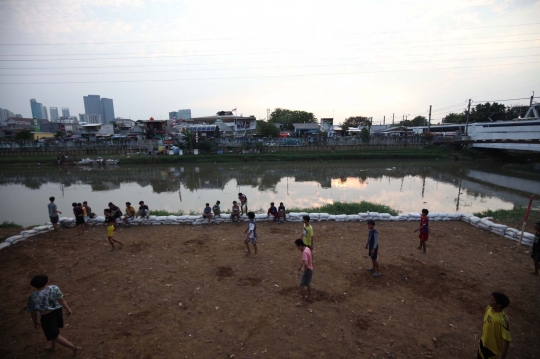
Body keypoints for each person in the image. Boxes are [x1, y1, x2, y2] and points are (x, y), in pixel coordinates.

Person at [27, 275, 81, 357]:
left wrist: (35, 322)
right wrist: (68, 309)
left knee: (55, 335)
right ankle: (53, 347)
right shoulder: (54, 288)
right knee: (55, 330)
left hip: (47, 317)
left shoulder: (33, 297)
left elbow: (33, 312)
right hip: (57, 312)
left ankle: (73, 347)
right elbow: (61, 300)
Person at [478, 292, 511, 359]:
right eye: (490, 298)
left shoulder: (502, 320)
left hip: (493, 350)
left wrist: (502, 356)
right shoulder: (489, 308)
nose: (489, 300)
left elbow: (506, 340)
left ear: (499, 305)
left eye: (492, 300)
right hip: (483, 343)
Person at [295, 238, 313, 307]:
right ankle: (309, 297)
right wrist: (300, 266)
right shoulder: (307, 248)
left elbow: (305, 263)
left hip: (307, 270)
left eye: (297, 246)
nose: (296, 247)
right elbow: (305, 261)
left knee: (301, 286)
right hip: (311, 269)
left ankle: (303, 301)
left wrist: (304, 270)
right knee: (308, 283)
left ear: (300, 246)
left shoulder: (304, 252)